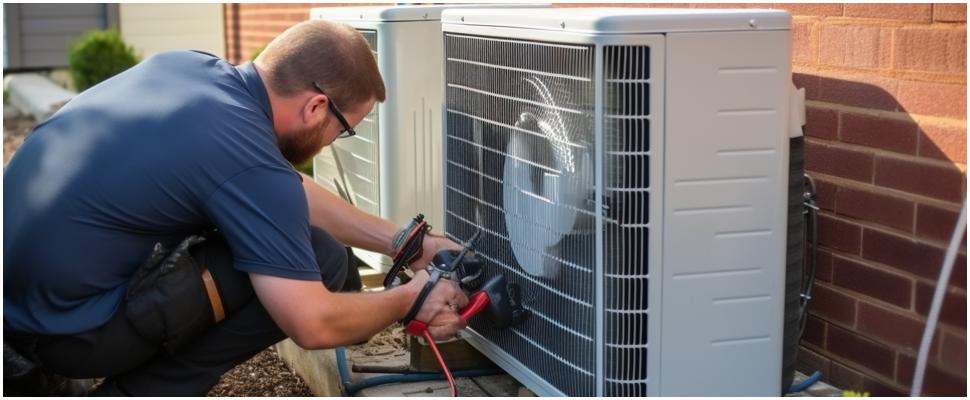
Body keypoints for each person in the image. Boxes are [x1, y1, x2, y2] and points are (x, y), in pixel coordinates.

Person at [3, 20, 468, 396]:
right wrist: (411, 298)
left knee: (290, 240)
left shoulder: (190, 69)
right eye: (344, 129)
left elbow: (278, 190)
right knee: (324, 261)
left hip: (17, 312)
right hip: (61, 336)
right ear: (316, 106)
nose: (332, 144)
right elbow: (312, 323)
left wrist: (406, 242)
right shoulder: (244, 157)